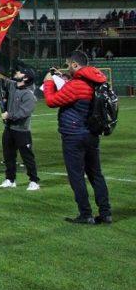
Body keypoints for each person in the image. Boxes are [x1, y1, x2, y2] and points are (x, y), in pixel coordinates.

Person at [42, 51, 112, 224]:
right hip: (92, 133)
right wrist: (65, 78)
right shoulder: (96, 81)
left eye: (68, 65)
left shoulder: (76, 85)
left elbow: (51, 101)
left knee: (76, 176)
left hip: (74, 135)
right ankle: (106, 213)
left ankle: (85, 214)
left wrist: (48, 82)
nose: (67, 68)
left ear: (75, 65)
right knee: (96, 174)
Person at [0, 56, 40, 190]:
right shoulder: (12, 85)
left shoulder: (29, 95)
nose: (17, 72)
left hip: (22, 131)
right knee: (8, 156)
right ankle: (10, 179)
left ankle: (34, 181)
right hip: (9, 129)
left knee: (27, 157)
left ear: (26, 78)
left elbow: (24, 112)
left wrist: (9, 115)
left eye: (20, 72)